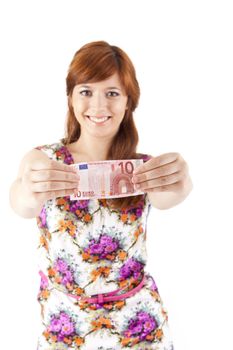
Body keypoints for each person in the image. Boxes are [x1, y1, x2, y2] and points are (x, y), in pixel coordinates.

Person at [9, 40, 193, 350]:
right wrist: (30, 188)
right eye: (86, 92)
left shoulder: (144, 170)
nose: (98, 106)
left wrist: (181, 180)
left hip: (138, 326)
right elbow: (21, 204)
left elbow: (170, 196)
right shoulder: (43, 160)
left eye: (112, 93)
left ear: (128, 102)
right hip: (65, 326)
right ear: (70, 98)